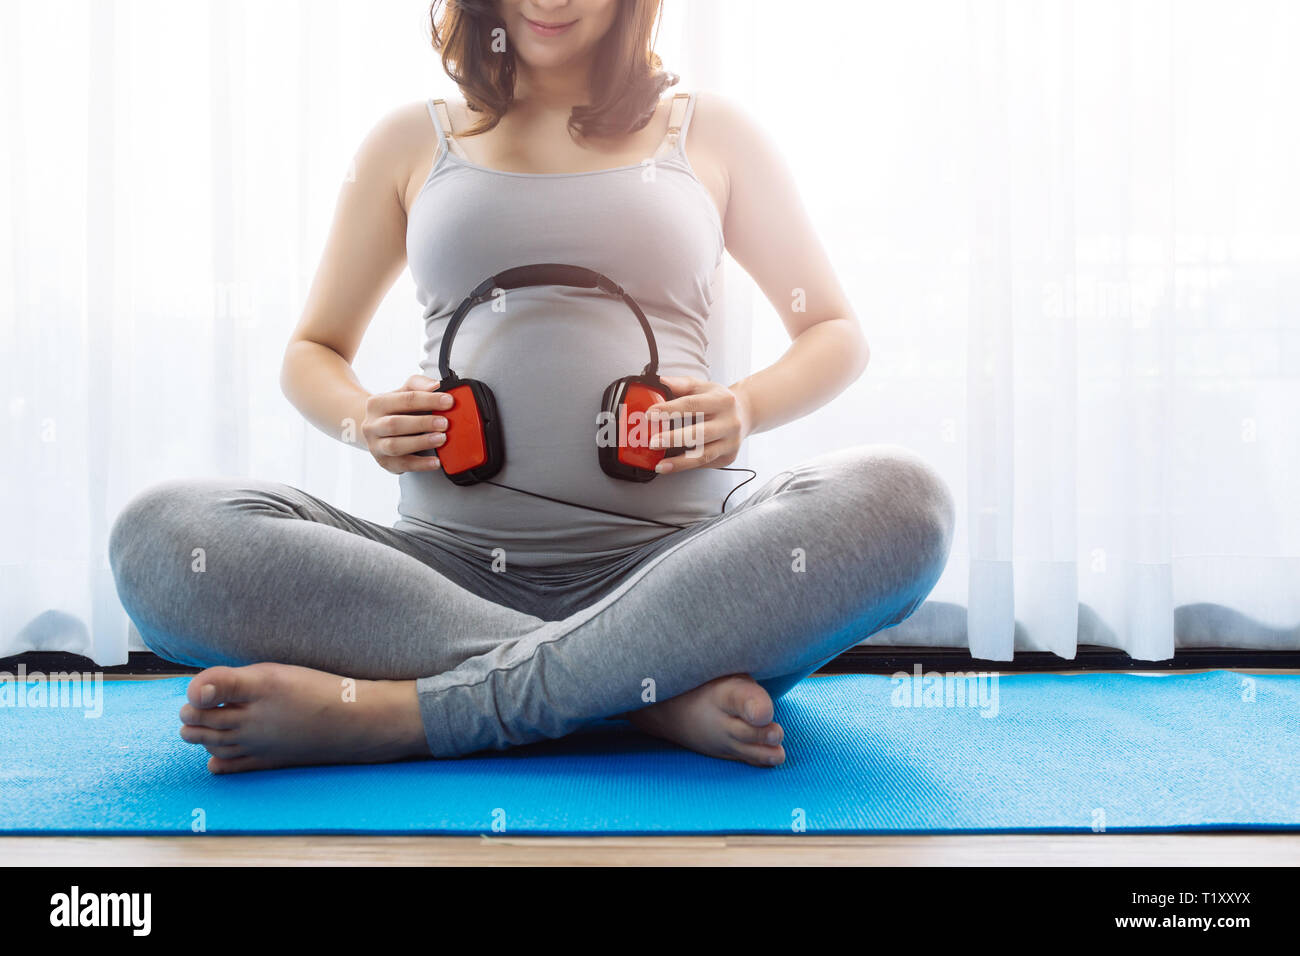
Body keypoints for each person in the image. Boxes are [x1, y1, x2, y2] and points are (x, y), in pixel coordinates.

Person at [108, 0, 954, 773]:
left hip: (684, 576)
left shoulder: (713, 133)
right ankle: (639, 694)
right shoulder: (410, 141)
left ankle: (410, 715)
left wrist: (748, 405)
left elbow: (834, 332)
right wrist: (363, 420)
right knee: (159, 536)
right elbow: (312, 350)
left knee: (905, 500)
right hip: (437, 580)